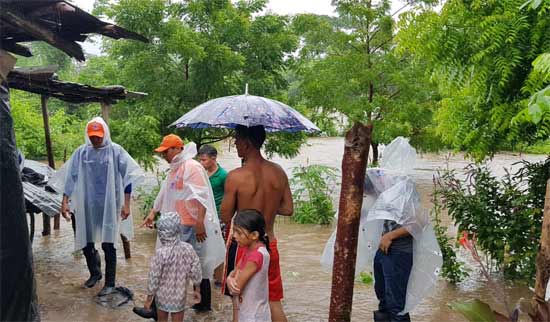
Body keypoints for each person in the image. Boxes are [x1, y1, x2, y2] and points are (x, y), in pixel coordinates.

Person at [59, 117, 143, 296]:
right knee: (86, 241)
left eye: (98, 136)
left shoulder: (115, 151)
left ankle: (110, 282)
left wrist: (126, 204)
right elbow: (70, 178)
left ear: (104, 134)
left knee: (108, 243)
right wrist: (65, 201)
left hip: (109, 205)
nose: (95, 140)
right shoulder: (82, 153)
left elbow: (128, 177)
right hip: (87, 205)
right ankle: (95, 273)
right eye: (92, 136)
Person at [142, 134, 225, 313]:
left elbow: (202, 196)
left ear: (177, 149)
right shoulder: (176, 167)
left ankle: (202, 307)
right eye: (162, 152)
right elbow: (165, 191)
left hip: (191, 225)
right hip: (176, 225)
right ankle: (162, 308)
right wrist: (152, 212)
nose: (164, 155)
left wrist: (200, 223)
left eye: (166, 151)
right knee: (171, 264)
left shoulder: (192, 167)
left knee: (197, 263)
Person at [220, 125, 293, 322]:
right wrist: (267, 206)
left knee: (239, 297)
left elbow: (225, 216)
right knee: (273, 300)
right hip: (269, 243)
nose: (234, 144)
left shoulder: (235, 176)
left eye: (236, 140)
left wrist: (244, 206)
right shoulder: (278, 172)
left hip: (244, 245)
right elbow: (288, 209)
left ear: (247, 143)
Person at [140, 212, 202, 322]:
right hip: (179, 298)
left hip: (162, 297)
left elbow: (154, 277)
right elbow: (196, 271)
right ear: (178, 229)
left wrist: (149, 299)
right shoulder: (188, 249)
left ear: (161, 233)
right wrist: (197, 289)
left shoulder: (160, 253)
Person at [226, 209, 271, 322]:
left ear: (254, 235)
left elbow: (235, 288)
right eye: (234, 231)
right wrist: (230, 278)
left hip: (252, 315)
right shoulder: (252, 249)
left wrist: (229, 280)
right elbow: (235, 272)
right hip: (255, 311)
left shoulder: (255, 256)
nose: (234, 236)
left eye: (239, 232)